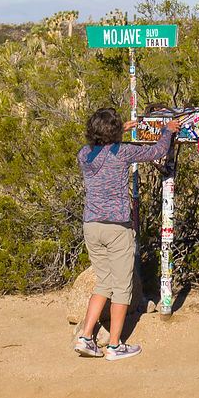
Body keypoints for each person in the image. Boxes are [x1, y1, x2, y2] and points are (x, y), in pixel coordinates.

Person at [75, 107, 181, 360]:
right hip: (117, 227)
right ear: (113, 132)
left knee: (104, 283)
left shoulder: (84, 154)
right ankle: (114, 346)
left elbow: (102, 146)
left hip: (92, 225)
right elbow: (157, 151)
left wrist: (118, 130)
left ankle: (85, 338)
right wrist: (167, 131)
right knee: (122, 287)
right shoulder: (122, 153)